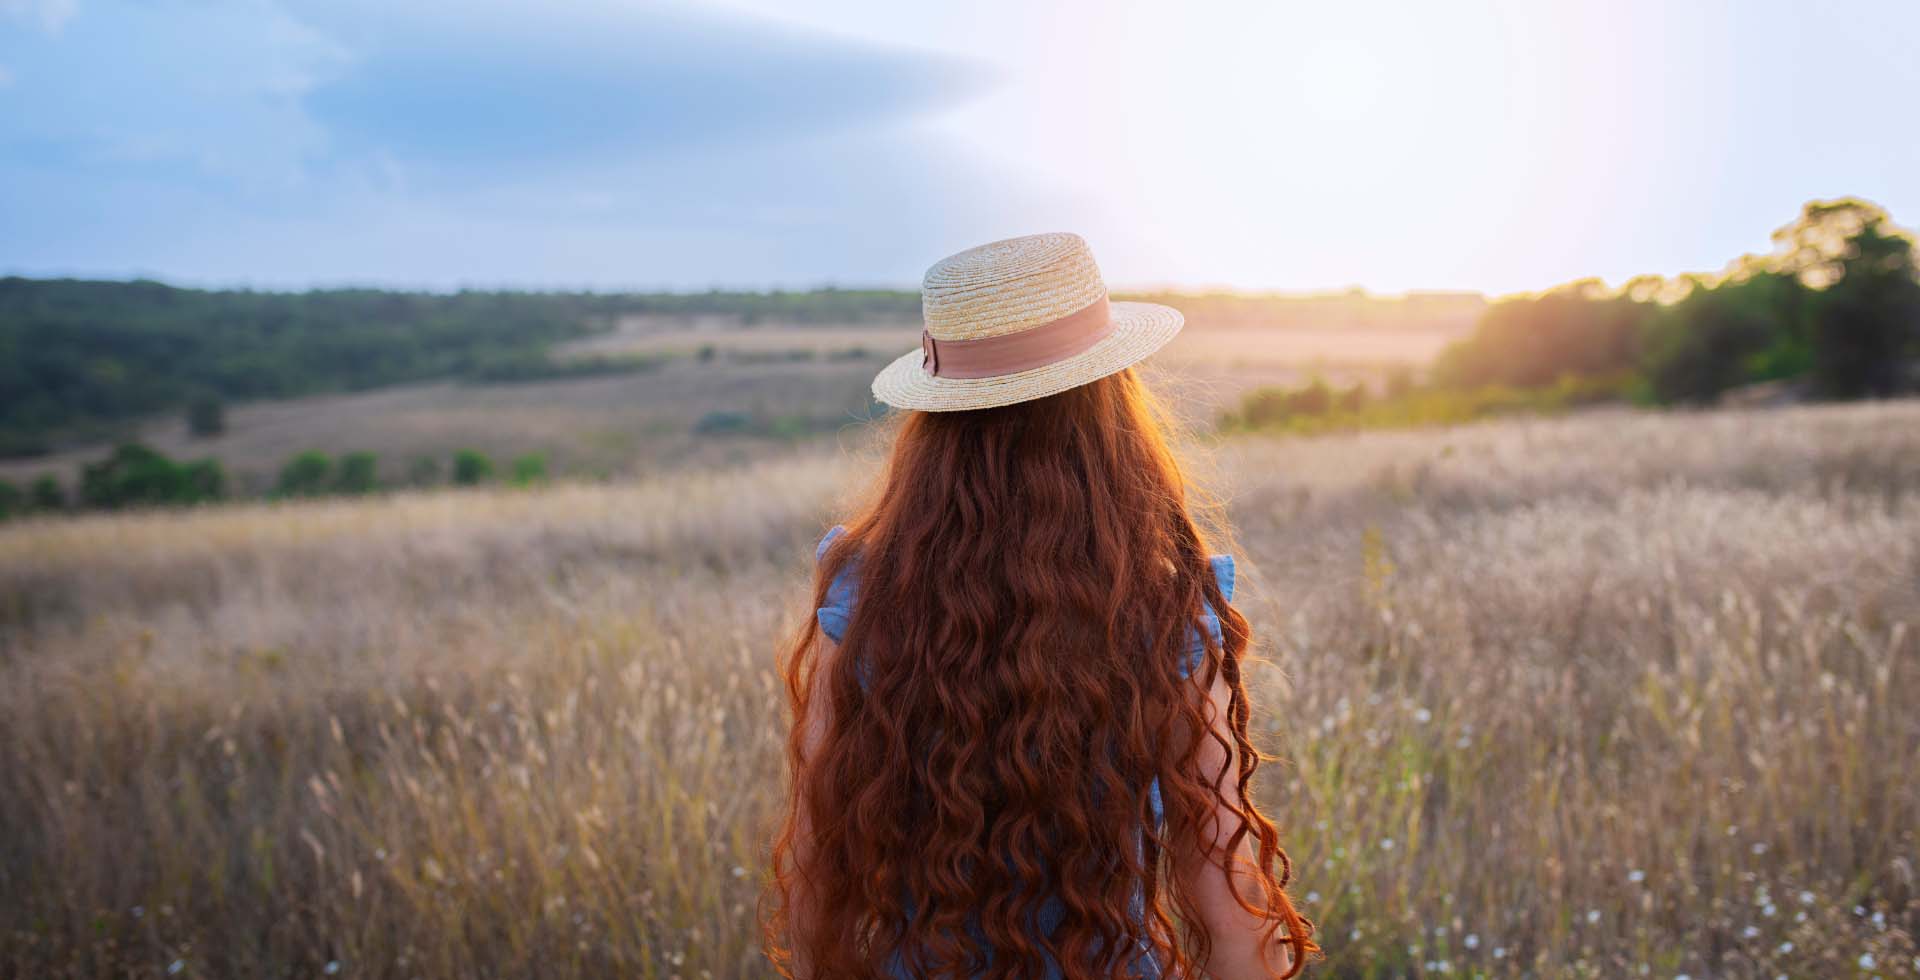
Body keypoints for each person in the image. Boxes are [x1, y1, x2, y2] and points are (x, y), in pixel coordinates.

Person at [765, 233, 1317, 979]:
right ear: (1111, 406)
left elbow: (814, 863)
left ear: (937, 422)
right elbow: (1225, 895)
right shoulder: (1163, 606)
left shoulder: (863, 590)